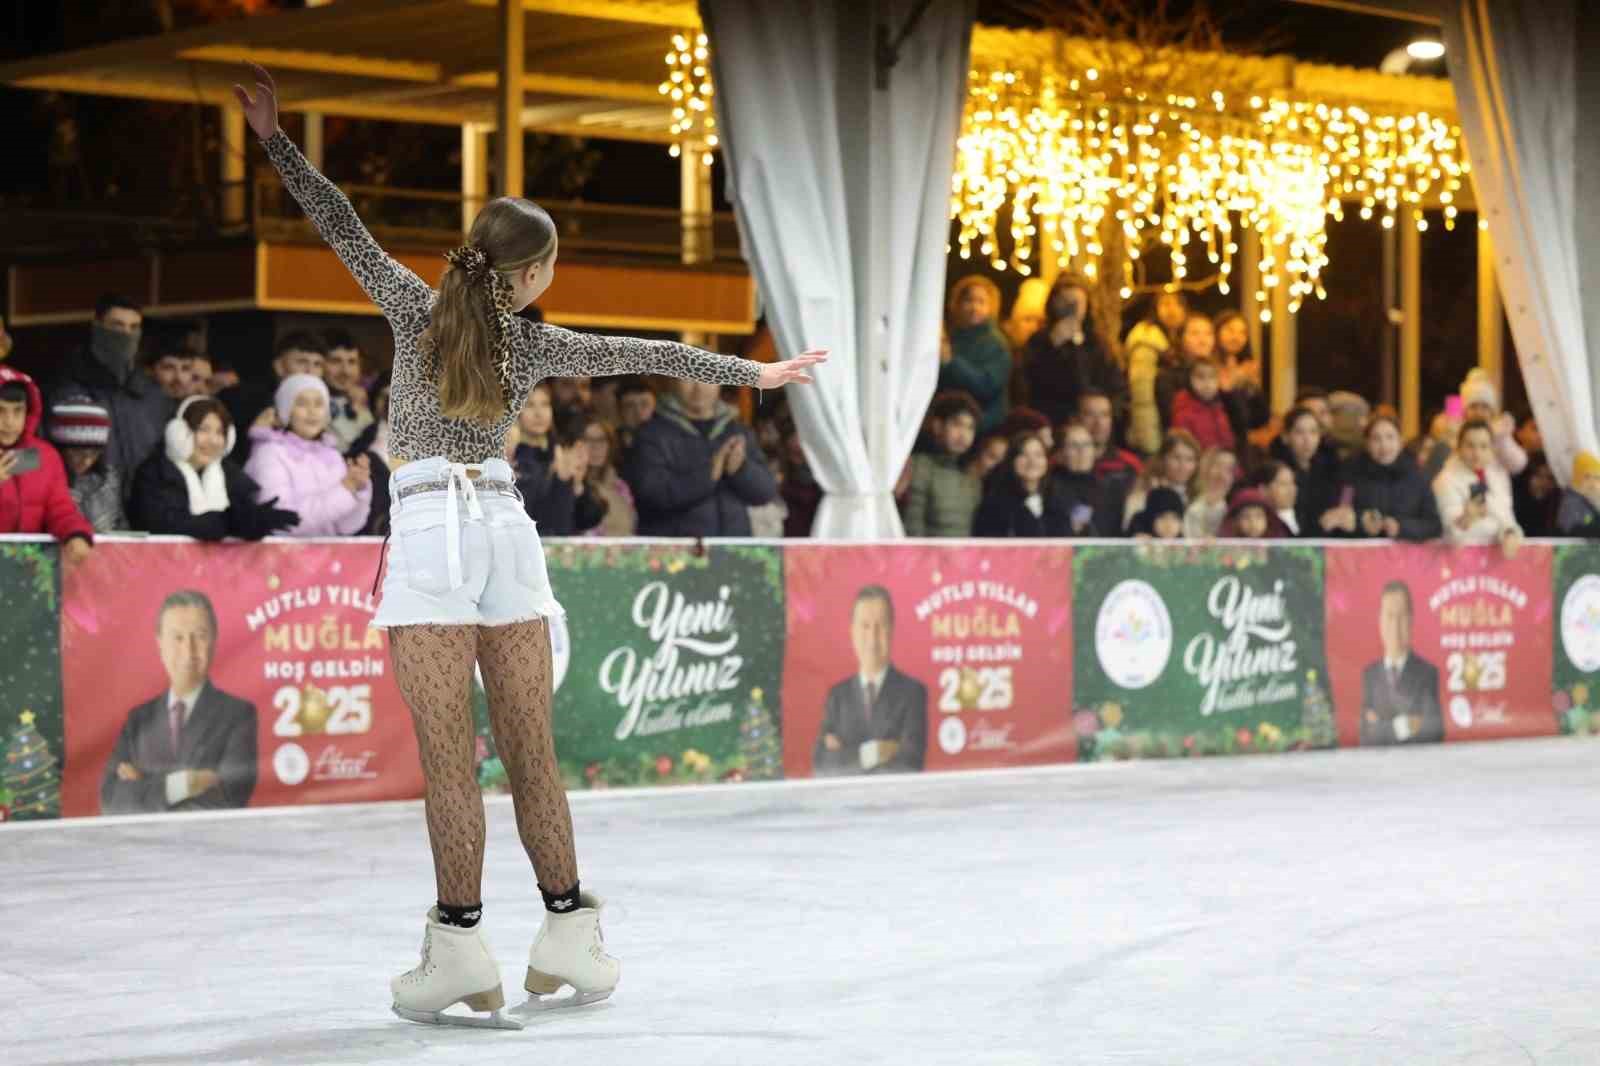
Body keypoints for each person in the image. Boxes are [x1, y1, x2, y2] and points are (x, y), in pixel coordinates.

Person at [240, 62, 821, 1026]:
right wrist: (755, 371)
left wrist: (274, 139)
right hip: (506, 533)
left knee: (451, 761)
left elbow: (341, 219)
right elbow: (656, 355)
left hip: (431, 529)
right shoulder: (535, 345)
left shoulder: (415, 309)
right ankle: (570, 935)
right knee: (531, 753)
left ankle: (461, 946)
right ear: (533, 272)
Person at [99, 590, 259, 813]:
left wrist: (143, 786)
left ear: (214, 641)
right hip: (144, 846)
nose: (188, 650)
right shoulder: (139, 719)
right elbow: (112, 802)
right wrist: (185, 784)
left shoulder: (238, 715)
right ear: (160, 644)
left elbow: (229, 799)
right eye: (177, 637)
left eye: (200, 636)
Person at [46, 293, 172, 492]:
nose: (126, 334)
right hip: (90, 508)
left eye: (133, 327)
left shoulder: (153, 395)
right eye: (117, 325)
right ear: (97, 326)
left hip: (147, 509)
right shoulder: (67, 392)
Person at [130, 396, 300, 540]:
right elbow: (166, 525)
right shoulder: (153, 474)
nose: (213, 441)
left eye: (220, 432)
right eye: (203, 430)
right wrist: (228, 521)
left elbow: (240, 518)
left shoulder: (231, 476)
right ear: (178, 432)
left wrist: (255, 522)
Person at [625, 378, 777, 537]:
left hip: (732, 549)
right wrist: (708, 475)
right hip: (677, 552)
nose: (698, 388)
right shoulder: (652, 434)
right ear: (674, 382)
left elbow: (765, 493)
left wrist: (741, 469)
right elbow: (652, 495)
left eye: (707, 378)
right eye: (688, 379)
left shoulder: (737, 430)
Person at [812, 586, 928, 776]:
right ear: (852, 631)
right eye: (865, 626)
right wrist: (874, 753)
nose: (872, 638)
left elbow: (909, 764)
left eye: (880, 625)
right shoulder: (838, 696)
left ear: (892, 629)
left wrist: (845, 757)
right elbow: (822, 765)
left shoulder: (913, 692)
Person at [244, 374, 373, 537]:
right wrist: (345, 490)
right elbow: (282, 522)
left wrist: (358, 488)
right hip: (282, 558)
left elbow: (346, 527)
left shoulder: (331, 455)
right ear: (286, 410)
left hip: (329, 558)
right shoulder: (269, 453)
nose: (312, 411)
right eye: (302, 403)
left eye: (319, 404)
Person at [0, 367, 95, 565]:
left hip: (29, 571)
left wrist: (75, 534)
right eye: (0, 411)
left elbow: (60, 509)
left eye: (18, 411)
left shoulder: (44, 456)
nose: (9, 422)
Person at [1020, 274, 1126, 427]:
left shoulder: (1098, 343)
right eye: (1064, 302)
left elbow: (1115, 386)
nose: (1071, 309)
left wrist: (1107, 416)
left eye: (1077, 303)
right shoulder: (1039, 341)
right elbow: (1028, 384)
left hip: (1093, 424)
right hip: (1053, 421)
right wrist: (1052, 347)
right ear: (1053, 303)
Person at [216, 331, 328, 467]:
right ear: (279, 366)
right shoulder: (241, 398)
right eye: (302, 362)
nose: (310, 371)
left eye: (318, 364)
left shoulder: (323, 406)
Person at [512, 383, 603, 536]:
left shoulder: (562, 450)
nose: (539, 413)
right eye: (529, 405)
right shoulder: (512, 457)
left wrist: (578, 485)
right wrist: (559, 480)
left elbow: (589, 519)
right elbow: (529, 516)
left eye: (545, 405)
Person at [1334, 412, 1441, 541]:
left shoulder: (1418, 477)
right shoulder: (1350, 476)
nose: (1384, 445)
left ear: (1400, 441)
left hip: (1405, 557)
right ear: (1367, 444)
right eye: (1376, 438)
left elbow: (1434, 525)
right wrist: (1360, 521)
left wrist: (1401, 528)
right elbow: (1341, 513)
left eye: (1390, 437)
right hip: (1362, 555)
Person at [1360, 581, 1443, 746]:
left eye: (1402, 617)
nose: (1395, 626)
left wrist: (1381, 727)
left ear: (1411, 621)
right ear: (1380, 621)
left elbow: (1433, 730)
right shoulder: (1370, 675)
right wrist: (1406, 725)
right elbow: (1366, 735)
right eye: (1390, 616)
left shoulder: (1427, 673)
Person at [1433, 418, 1522, 553]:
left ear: (1491, 449)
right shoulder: (1445, 479)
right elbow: (1449, 531)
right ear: (1458, 447)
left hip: (1496, 562)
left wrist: (1510, 532)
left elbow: (1507, 517)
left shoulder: (1498, 476)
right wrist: (1465, 519)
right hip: (1457, 563)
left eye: (1483, 446)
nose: (1477, 453)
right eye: (1470, 445)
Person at [902, 391, 981, 537]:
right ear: (938, 426)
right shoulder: (920, 467)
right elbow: (913, 529)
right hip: (926, 557)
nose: (963, 434)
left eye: (970, 428)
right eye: (957, 424)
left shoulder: (971, 477)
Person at [939, 275, 1011, 434]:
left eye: (981, 302)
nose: (974, 307)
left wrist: (952, 363)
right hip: (950, 425)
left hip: (984, 425)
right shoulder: (953, 337)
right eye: (969, 300)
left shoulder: (996, 343)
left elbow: (987, 385)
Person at [1122, 291, 1187, 456]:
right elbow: (1142, 396)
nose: (1172, 310)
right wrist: (1150, 442)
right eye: (1166, 304)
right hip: (1155, 432)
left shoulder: (1178, 343)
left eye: (1178, 304)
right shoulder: (1147, 340)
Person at [49, 395, 127, 533]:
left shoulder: (109, 479)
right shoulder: (48, 480)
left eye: (95, 453)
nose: (87, 461)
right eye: (78, 452)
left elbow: (120, 524)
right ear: (60, 448)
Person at [972, 431, 1070, 537]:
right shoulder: (994, 505)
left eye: (1038, 455)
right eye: (1023, 454)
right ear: (1011, 460)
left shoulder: (1057, 499)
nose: (1032, 461)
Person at [1270, 405, 1341, 537]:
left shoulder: (1329, 470)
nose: (1307, 439)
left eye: (1313, 432)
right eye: (1299, 432)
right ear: (1285, 436)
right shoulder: (1274, 471)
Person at [1048, 419, 1120, 537]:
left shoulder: (1109, 488)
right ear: (1059, 453)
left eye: (1087, 444)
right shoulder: (1049, 488)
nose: (1082, 451)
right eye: (1073, 445)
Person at [1123, 429, 1199, 534]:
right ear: (1163, 459)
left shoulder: (1198, 496)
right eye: (1176, 457)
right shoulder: (1143, 495)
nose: (1183, 466)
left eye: (1190, 459)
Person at [1213, 310, 1268, 446]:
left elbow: (1261, 417)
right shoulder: (1208, 366)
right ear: (1216, 331)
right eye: (1230, 330)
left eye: (1242, 332)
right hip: (1217, 438)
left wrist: (1254, 388)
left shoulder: (1248, 367)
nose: (1236, 337)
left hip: (1244, 440)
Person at [1155, 313, 1215, 426]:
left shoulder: (1216, 371)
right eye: (1194, 333)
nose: (1203, 340)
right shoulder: (1168, 374)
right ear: (1181, 338)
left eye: (1208, 334)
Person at [580, 419, 636, 537]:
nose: (595, 447)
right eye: (588, 440)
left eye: (601, 440)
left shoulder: (620, 486)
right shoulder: (571, 486)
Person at [323, 328, 375, 451]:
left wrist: (360, 411)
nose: (345, 371)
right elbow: (344, 448)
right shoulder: (310, 402)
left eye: (352, 362)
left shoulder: (368, 401)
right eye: (336, 361)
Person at [1170, 357, 1235, 453]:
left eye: (1212, 377)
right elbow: (1184, 453)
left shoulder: (1222, 406)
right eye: (1200, 377)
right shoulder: (1183, 412)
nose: (1207, 383)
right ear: (1189, 380)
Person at [1182, 447, 1238, 539]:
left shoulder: (1236, 506)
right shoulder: (1186, 499)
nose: (1222, 474)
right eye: (1218, 466)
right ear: (1205, 468)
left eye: (1229, 469)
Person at [1557, 452, 1600, 537]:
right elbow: (1574, 530)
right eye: (1587, 476)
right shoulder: (1571, 501)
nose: (1593, 483)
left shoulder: (1587, 500)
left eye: (1597, 478)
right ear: (1577, 475)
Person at [1258, 460, 1302, 537]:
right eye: (1283, 484)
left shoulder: (1306, 518)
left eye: (1293, 483)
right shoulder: (1259, 524)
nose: (1291, 490)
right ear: (1263, 490)